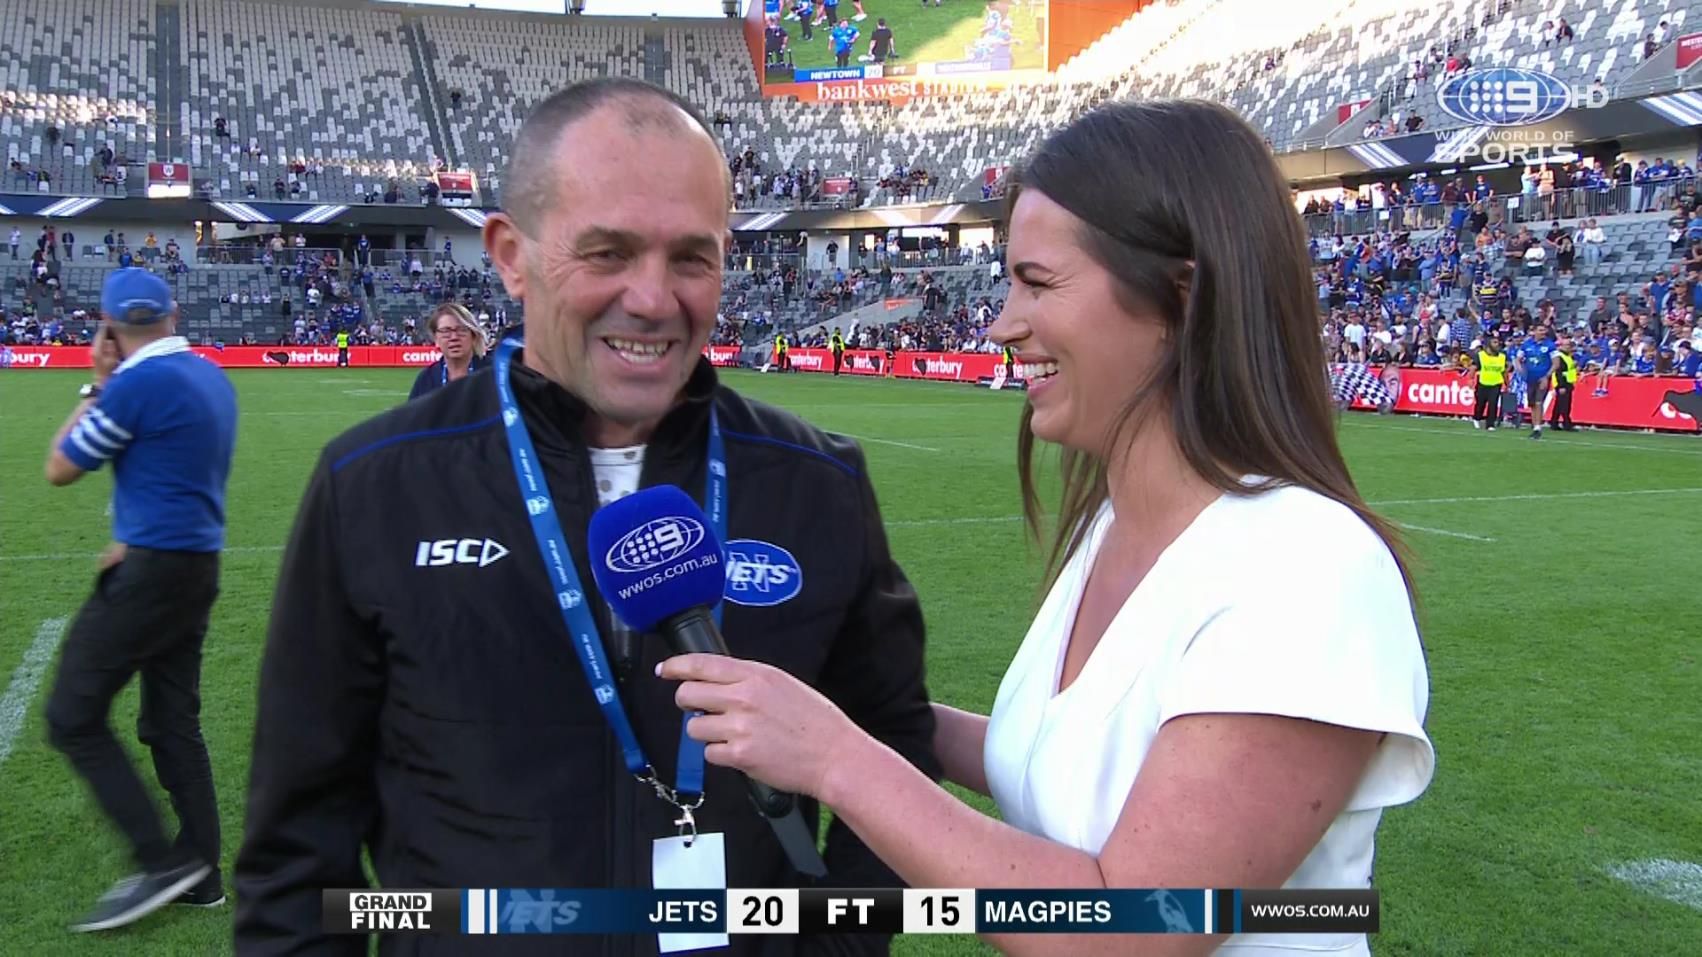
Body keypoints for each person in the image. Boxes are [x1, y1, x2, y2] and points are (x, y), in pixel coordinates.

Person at [661, 99, 1433, 957]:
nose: (1003, 323)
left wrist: (837, 757)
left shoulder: (1306, 568)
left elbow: (1134, 933)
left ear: (1180, 300)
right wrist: (851, 705)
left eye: (1037, 282)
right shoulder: (1113, 527)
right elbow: (1066, 766)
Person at [235, 77, 938, 955]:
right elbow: (298, 846)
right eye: (607, 252)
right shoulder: (374, 484)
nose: (652, 298)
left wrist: (837, 946)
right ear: (510, 254)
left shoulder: (818, 481)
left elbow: (893, 741)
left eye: (692, 258)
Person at [42, 268, 237, 931]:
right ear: (172, 312)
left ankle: (159, 863)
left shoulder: (131, 385)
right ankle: (203, 875)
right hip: (196, 564)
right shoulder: (211, 374)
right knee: (171, 722)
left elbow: (61, 466)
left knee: (71, 715)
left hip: (152, 573)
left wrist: (97, 382)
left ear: (108, 326)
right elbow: (182, 470)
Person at [406, 302, 488, 400]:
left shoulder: (495, 373)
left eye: (461, 330)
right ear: (436, 339)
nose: (454, 337)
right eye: (445, 331)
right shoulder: (426, 378)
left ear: (473, 336)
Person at [1516, 323, 1555, 438]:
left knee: (1539, 401)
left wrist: (1546, 376)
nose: (1543, 332)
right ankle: (1535, 427)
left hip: (1542, 377)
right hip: (1530, 378)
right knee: (1532, 403)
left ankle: (1538, 427)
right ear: (1534, 332)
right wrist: (1520, 369)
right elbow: (1518, 359)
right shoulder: (1526, 344)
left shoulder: (1550, 345)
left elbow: (1556, 363)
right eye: (1540, 330)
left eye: (1544, 330)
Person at [1469, 334, 1507, 430]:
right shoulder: (1481, 355)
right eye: (1494, 342)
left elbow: (1504, 371)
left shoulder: (1502, 357)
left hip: (1496, 383)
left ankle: (1490, 424)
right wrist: (1470, 379)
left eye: (1498, 342)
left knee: (1493, 404)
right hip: (1483, 383)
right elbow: (1473, 368)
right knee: (1480, 403)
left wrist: (1507, 383)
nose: (1497, 345)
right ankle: (1477, 418)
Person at [1550, 334, 1579, 431]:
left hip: (1567, 382)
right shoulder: (1560, 356)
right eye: (1567, 345)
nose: (1569, 347)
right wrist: (1561, 385)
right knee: (1565, 404)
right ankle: (1567, 424)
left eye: (1570, 345)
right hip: (1563, 383)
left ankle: (1554, 422)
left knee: (1559, 404)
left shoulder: (1567, 356)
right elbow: (1559, 372)